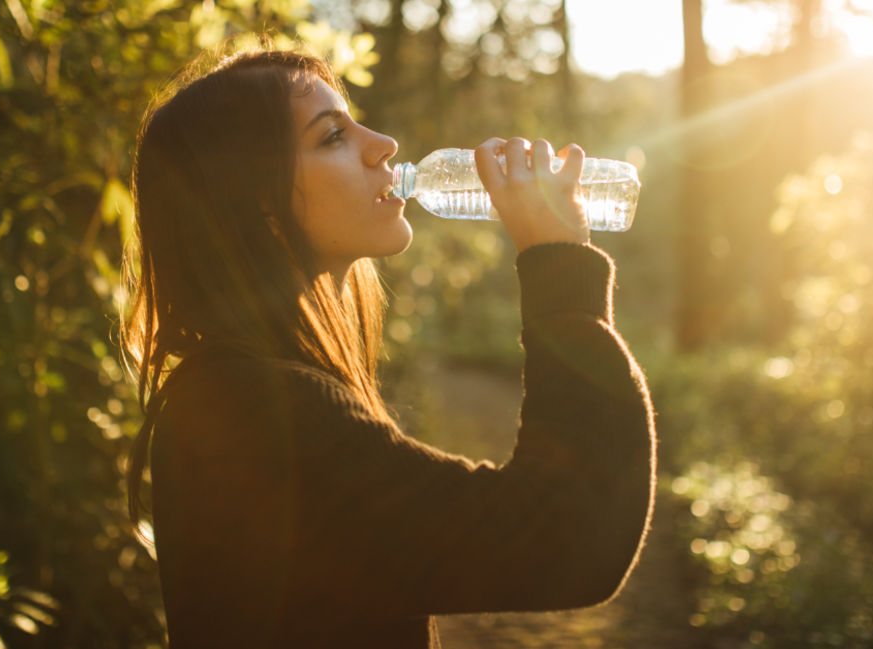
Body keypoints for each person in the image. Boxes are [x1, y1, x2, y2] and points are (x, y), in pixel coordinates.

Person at [120, 47, 656, 649]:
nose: (384, 145)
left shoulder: (242, 392)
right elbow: (567, 535)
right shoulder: (261, 412)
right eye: (332, 138)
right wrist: (558, 271)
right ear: (261, 207)